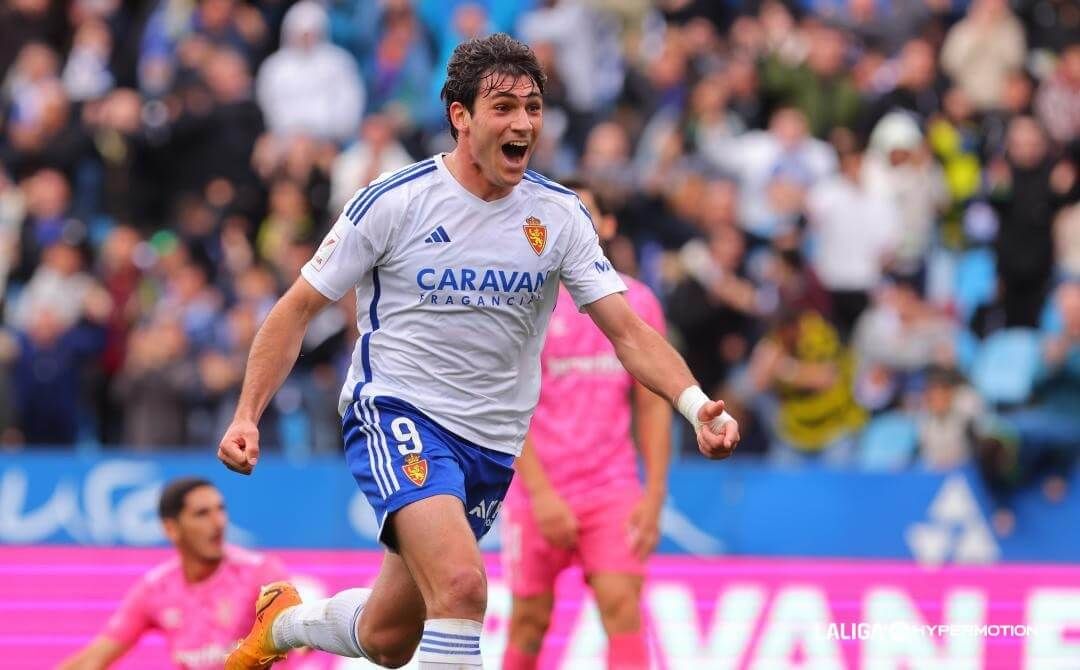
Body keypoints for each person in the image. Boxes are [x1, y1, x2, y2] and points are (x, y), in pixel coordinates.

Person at [218, 33, 739, 670]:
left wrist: (694, 405)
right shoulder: (395, 202)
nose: (523, 122)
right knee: (464, 586)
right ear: (460, 116)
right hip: (398, 412)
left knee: (389, 637)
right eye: (504, 107)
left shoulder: (560, 216)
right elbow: (296, 309)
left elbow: (628, 332)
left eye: (533, 107)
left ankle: (285, 621)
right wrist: (247, 412)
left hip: (490, 446)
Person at [500, 181, 671, 670]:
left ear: (608, 225)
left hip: (611, 488)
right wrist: (542, 493)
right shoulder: (525, 302)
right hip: (538, 491)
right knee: (529, 622)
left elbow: (653, 405)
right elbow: (509, 405)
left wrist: (654, 494)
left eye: (585, 213)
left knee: (622, 606)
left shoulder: (638, 304)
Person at [56, 477, 289, 670]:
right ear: (171, 529)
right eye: (202, 514)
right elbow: (92, 659)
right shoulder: (156, 588)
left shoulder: (260, 573)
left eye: (220, 510)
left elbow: (298, 648)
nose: (218, 522)